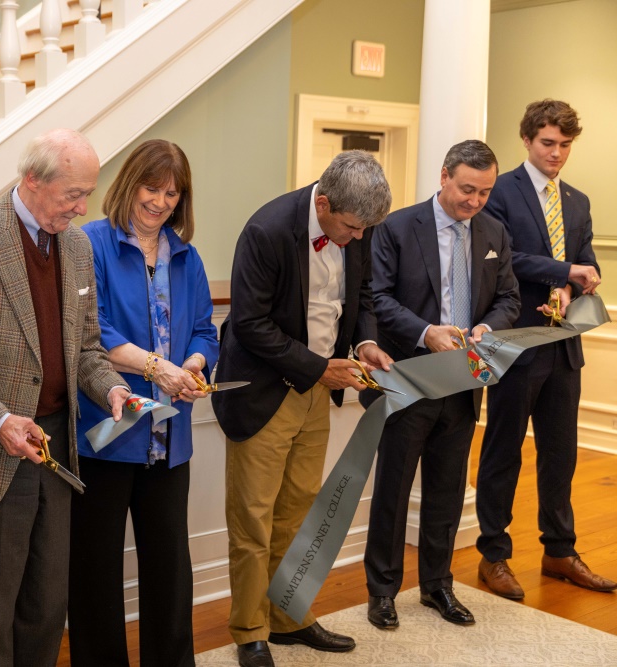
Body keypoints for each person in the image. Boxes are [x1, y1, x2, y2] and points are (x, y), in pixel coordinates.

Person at [0, 128, 131, 667]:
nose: (83, 206)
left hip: (56, 452)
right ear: (33, 181)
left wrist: (111, 386)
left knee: (46, 607)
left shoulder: (78, 244)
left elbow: (86, 346)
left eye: (87, 193)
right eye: (73, 194)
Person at [212, 150, 394, 667]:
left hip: (319, 391)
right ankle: (250, 630)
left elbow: (364, 297)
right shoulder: (267, 230)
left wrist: (364, 346)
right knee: (253, 519)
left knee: (298, 511)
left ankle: (289, 617)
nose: (359, 238)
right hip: (265, 391)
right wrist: (321, 368)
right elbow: (250, 324)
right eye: (352, 227)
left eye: (366, 230)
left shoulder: (359, 227)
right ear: (324, 202)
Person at [67, 139, 219, 667]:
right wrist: (157, 368)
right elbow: (94, 330)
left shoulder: (186, 255)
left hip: (168, 441)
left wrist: (195, 366)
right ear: (130, 184)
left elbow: (204, 330)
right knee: (95, 571)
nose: (160, 202)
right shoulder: (89, 244)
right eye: (152, 188)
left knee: (170, 568)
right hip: (106, 436)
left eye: (172, 193)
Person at [361, 140, 520, 630]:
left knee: (448, 491)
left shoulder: (494, 231)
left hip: (465, 383)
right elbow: (376, 296)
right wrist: (425, 332)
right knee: (393, 487)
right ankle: (383, 592)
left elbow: (510, 298)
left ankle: (437, 586)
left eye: (485, 192)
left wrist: (487, 329)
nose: (474, 202)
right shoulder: (396, 227)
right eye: (467, 189)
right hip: (408, 379)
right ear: (445, 176)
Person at [475, 99, 614, 598]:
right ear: (528, 140)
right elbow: (502, 256)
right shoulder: (500, 192)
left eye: (565, 146)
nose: (556, 154)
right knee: (502, 452)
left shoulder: (576, 200)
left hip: (564, 348)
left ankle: (560, 551)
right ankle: (493, 555)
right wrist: (561, 273)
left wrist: (577, 283)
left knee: (561, 454)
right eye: (548, 143)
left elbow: (583, 258)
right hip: (514, 344)